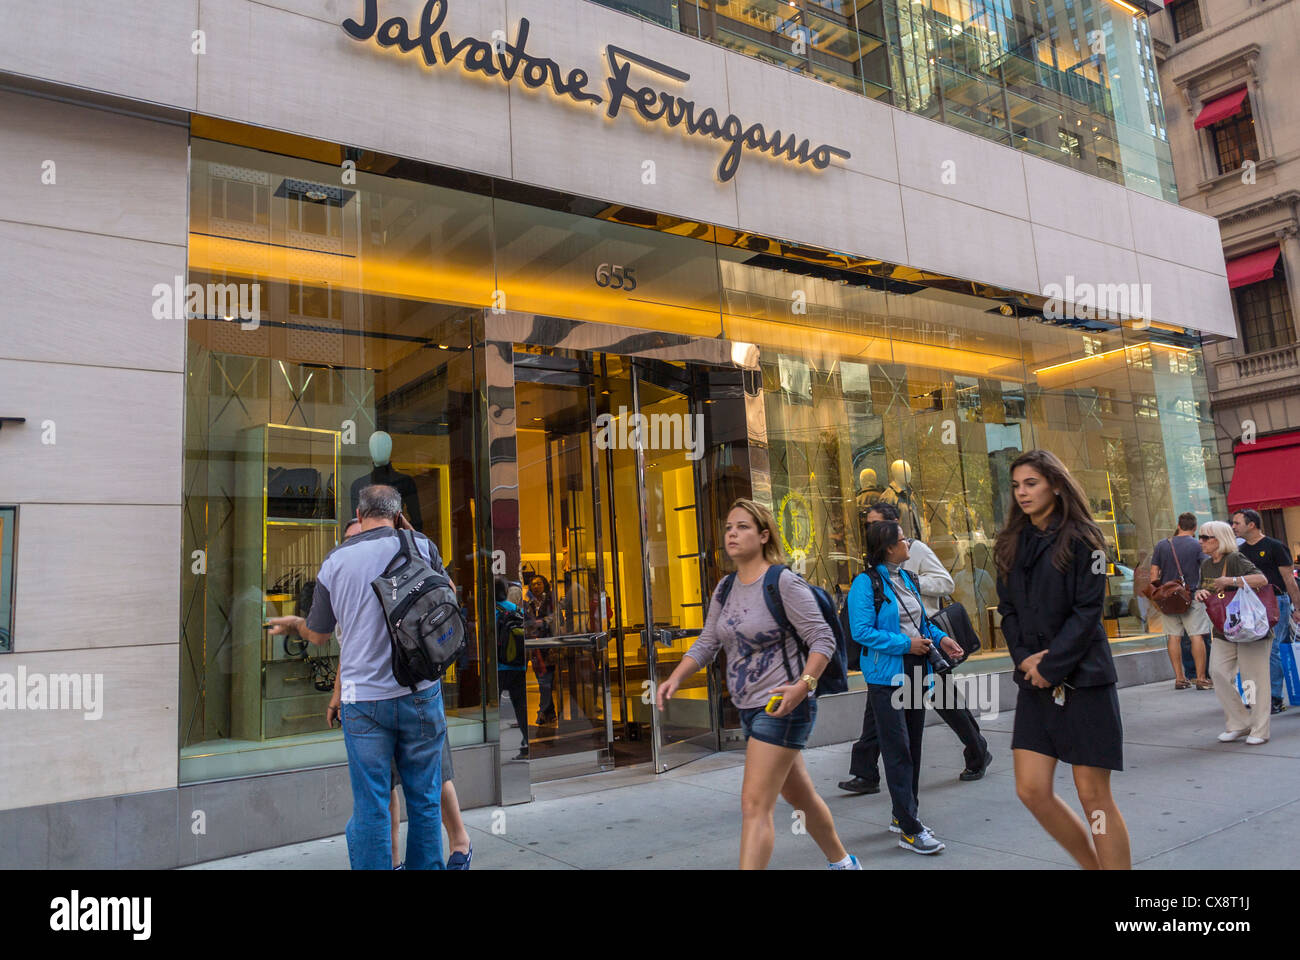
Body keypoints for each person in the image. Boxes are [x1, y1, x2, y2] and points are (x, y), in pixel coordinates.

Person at [656, 498, 862, 870]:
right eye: (729, 528)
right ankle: (844, 863)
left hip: (782, 706)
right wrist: (675, 677)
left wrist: (803, 685)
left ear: (764, 534)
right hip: (748, 707)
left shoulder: (782, 582)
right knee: (800, 796)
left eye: (743, 527)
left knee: (754, 804)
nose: (732, 534)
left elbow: (824, 640)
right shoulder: (726, 587)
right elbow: (707, 642)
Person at [269, 485, 448, 870]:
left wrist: (294, 624)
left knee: (372, 805)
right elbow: (448, 597)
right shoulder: (422, 545)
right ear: (398, 513)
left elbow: (318, 634)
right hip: (420, 692)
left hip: (364, 702)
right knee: (425, 800)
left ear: (359, 512)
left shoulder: (336, 560)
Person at [994, 449, 1130, 870]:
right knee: (1031, 789)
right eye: (1016, 486)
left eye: (1031, 483)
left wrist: (1049, 665)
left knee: (1094, 797)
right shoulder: (1010, 543)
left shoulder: (1084, 537)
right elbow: (1008, 610)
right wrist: (1024, 660)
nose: (1022, 493)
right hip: (1034, 682)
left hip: (1084, 680)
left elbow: (1088, 614)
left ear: (1055, 483)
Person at [839, 502, 991, 796]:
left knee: (947, 704)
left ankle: (977, 750)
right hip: (894, 653)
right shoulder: (874, 568)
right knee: (878, 713)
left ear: (893, 526)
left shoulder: (914, 550)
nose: (870, 529)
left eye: (876, 524)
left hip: (924, 643)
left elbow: (945, 582)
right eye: (868, 525)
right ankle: (866, 771)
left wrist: (911, 584)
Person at [848, 519, 964, 854]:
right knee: (897, 749)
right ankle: (911, 830)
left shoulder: (908, 579)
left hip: (917, 670)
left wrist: (942, 640)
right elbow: (861, 631)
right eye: (903, 539)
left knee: (912, 746)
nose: (909, 544)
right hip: (887, 676)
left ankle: (903, 816)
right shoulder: (865, 584)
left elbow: (922, 622)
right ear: (887, 547)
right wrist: (905, 645)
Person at [1195, 520, 1273, 745]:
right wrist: (1201, 592)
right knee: (1217, 672)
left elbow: (1262, 579)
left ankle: (1260, 728)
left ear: (1219, 539)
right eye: (1200, 537)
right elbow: (1207, 588)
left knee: (1253, 680)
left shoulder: (1235, 559)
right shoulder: (1206, 565)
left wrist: (1231, 580)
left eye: (1205, 537)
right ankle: (1239, 722)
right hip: (1224, 629)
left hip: (1249, 629)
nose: (1200, 542)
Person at [1230, 509, 1300, 715]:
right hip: (1248, 605)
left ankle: (1275, 698)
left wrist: (1297, 607)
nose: (1233, 527)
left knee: (1274, 648)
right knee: (1251, 649)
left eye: (1237, 523)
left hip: (1275, 602)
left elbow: (1289, 580)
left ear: (1251, 525)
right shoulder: (1239, 552)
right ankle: (1253, 696)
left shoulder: (1275, 547)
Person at [1150, 512, 1212, 690]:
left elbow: (1154, 574)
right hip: (1191, 596)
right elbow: (1206, 568)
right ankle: (1201, 678)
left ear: (1178, 525)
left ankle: (1179, 678)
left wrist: (1158, 594)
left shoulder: (1162, 545)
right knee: (1196, 636)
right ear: (1194, 527)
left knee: (1174, 637)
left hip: (1168, 599)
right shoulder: (1197, 545)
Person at [496, 577, 531, 760]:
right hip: (518, 666)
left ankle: (493, 749)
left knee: (494, 709)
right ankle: (527, 743)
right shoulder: (516, 609)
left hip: (499, 667)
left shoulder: (492, 610)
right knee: (521, 707)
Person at [523, 574, 558, 726]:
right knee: (542, 681)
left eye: (538, 583)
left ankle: (543, 712)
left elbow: (556, 619)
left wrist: (543, 623)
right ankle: (549, 712)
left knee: (547, 680)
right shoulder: (528, 603)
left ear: (544, 584)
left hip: (548, 644)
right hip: (535, 646)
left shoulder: (550, 601)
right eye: (533, 584)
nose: (536, 586)